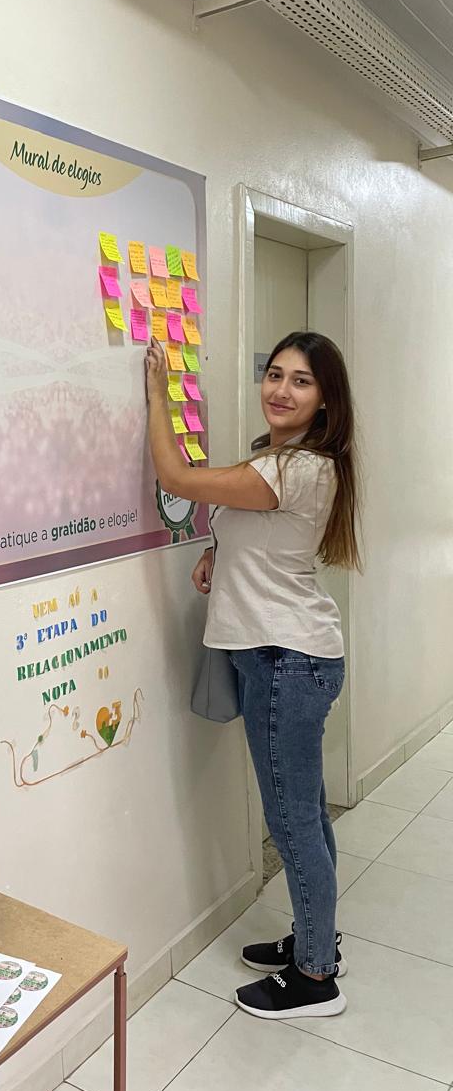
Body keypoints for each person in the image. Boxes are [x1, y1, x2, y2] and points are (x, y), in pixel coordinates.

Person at [145, 331, 360, 1020]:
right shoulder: (284, 461)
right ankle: (316, 939)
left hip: (284, 660)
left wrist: (156, 394)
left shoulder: (294, 468)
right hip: (292, 655)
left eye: (301, 381)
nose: (281, 390)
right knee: (306, 814)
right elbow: (257, 531)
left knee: (292, 821)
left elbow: (177, 480)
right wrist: (219, 550)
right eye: (275, 374)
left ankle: (315, 978)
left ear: (325, 400)